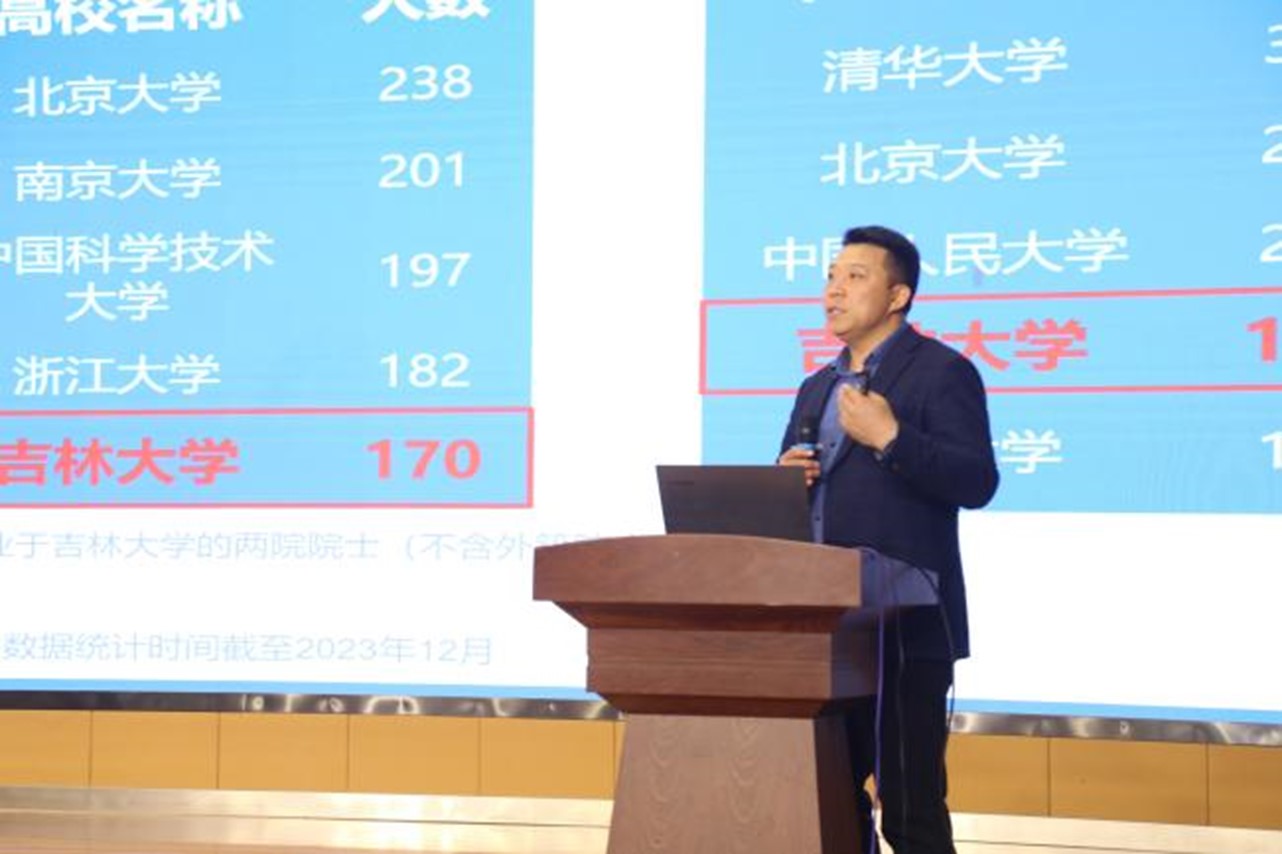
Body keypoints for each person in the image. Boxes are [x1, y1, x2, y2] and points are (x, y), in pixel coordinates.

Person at [778, 225, 999, 854]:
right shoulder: (817, 386)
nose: (833, 290)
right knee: (827, 802)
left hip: (904, 630)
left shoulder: (942, 372)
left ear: (898, 295)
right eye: (830, 276)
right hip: (823, 630)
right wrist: (783, 481)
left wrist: (892, 438)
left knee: (909, 810)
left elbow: (976, 480)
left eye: (854, 277)